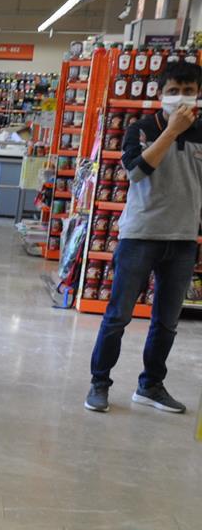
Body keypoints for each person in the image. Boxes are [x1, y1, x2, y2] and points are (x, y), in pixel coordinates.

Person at [86, 59, 202, 414]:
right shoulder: (139, 128)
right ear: (159, 94)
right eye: (172, 92)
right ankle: (99, 384)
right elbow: (136, 173)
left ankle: (151, 385)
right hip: (140, 235)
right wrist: (171, 131)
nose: (179, 98)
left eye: (187, 92)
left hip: (183, 240)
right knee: (118, 316)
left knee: (166, 323)